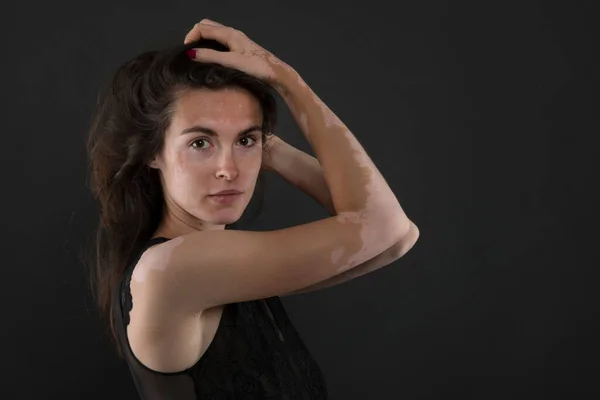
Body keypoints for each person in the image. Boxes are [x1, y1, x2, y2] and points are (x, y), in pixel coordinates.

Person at [85, 18, 419, 399]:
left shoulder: (218, 267)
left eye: (245, 140)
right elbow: (384, 224)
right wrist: (286, 81)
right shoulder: (172, 271)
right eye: (200, 143)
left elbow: (398, 238)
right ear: (151, 152)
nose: (229, 169)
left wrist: (264, 143)